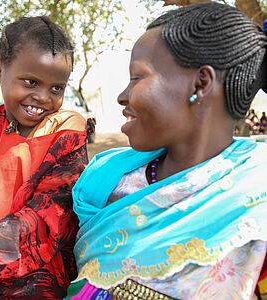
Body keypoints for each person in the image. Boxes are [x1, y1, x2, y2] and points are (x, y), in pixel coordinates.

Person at [68, 3, 267, 299]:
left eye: (137, 77)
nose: (122, 96)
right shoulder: (105, 182)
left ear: (201, 83)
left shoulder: (256, 195)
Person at [0, 16, 89, 299]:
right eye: (31, 82)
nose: (43, 97)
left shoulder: (66, 137)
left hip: (33, 279)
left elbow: (48, 218)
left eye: (56, 88)